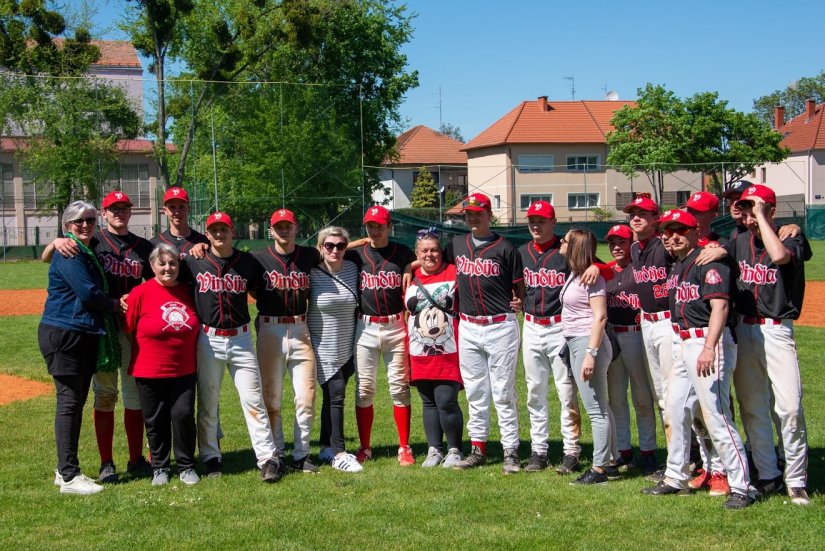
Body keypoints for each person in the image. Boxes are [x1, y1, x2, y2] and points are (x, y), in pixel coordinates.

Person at [641, 210, 754, 509]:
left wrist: (708, 347)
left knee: (717, 415)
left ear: (694, 231)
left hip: (706, 340)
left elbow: (720, 308)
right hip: (683, 341)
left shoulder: (708, 260)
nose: (672, 235)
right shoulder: (678, 266)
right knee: (674, 409)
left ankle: (743, 486)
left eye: (679, 229)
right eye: (667, 231)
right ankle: (675, 477)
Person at [43, 191, 154, 483]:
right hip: (100, 327)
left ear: (131, 212)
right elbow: (52, 257)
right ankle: (106, 463)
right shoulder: (90, 242)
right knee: (105, 394)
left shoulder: (143, 246)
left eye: (124, 208)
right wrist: (55, 241)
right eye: (112, 209)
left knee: (134, 394)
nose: (119, 213)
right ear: (105, 215)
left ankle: (136, 458)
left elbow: (158, 279)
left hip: (131, 326)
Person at [183, 212, 282, 482]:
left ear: (232, 231)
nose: (218, 234)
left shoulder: (247, 262)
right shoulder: (194, 259)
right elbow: (166, 272)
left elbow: (263, 289)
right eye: (213, 230)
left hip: (240, 338)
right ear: (206, 233)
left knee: (253, 400)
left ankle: (267, 458)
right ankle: (211, 456)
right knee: (208, 400)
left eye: (223, 229)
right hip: (208, 338)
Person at [728, 185, 811, 506]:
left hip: (777, 331)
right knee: (753, 409)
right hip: (745, 331)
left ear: (771, 210)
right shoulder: (738, 242)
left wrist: (763, 215)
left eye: (754, 209)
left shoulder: (792, 238)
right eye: (745, 210)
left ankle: (796, 479)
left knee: (789, 408)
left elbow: (779, 256)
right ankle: (767, 474)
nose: (747, 215)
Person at [40, 201, 122, 494]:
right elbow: (88, 293)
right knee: (69, 403)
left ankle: (66, 471)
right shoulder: (71, 252)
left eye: (89, 219)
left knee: (73, 403)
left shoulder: (83, 248)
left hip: (78, 333)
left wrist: (53, 243)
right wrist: (116, 304)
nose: (85, 225)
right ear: (67, 226)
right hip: (66, 333)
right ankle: (70, 475)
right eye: (77, 222)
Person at [447, 193, 525, 473]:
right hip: (468, 326)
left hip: (500, 326)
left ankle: (511, 451)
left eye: (478, 212)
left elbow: (520, 289)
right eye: (469, 213)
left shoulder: (505, 247)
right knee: (476, 392)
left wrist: (520, 302)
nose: (473, 217)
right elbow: (433, 265)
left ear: (489, 215)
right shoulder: (456, 244)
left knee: (503, 392)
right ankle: (477, 449)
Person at [123, 243, 200, 486]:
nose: (168, 268)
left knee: (183, 415)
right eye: (162, 263)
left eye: (173, 263)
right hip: (149, 369)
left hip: (184, 368)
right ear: (153, 266)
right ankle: (160, 467)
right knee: (155, 420)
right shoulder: (140, 293)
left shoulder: (189, 291)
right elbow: (128, 327)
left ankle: (186, 465)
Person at [347, 205, 416, 466]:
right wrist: (361, 241)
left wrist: (409, 265)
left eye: (379, 225)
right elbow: (328, 251)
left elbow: (425, 259)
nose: (374, 230)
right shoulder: (357, 255)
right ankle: (365, 448)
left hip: (395, 326)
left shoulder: (401, 252)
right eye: (370, 226)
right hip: (364, 328)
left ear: (389, 226)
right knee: (364, 389)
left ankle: (404, 446)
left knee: (399, 387)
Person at [518, 200, 584, 474]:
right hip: (531, 325)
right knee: (535, 391)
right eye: (532, 220)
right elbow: (516, 287)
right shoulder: (521, 252)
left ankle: (571, 450)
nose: (536, 225)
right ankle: (539, 450)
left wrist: (593, 267)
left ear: (553, 223)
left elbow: (600, 268)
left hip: (560, 327)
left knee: (566, 390)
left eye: (542, 220)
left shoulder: (566, 250)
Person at [252, 209, 320, 473]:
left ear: (296, 228)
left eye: (287, 225)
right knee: (272, 398)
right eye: (278, 226)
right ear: (271, 230)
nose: (283, 230)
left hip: (301, 328)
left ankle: (302, 453)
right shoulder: (258, 259)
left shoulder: (309, 255)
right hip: (270, 328)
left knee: (306, 396)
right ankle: (277, 452)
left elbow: (344, 250)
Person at [559, 229, 616, 485]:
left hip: (587, 343)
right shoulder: (578, 273)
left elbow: (600, 317)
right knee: (599, 406)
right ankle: (611, 460)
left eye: (566, 241)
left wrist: (591, 354)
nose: (561, 242)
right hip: (576, 341)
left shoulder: (592, 278)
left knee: (596, 409)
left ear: (575, 247)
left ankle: (599, 468)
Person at [404, 228, 464, 468]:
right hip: (419, 351)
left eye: (435, 250)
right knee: (428, 402)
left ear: (442, 252)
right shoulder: (410, 275)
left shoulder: (454, 272)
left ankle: (455, 449)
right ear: (417, 254)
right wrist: (409, 266)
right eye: (424, 251)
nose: (430, 255)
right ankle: (434, 449)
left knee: (447, 400)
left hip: (449, 349)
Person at [603, 224, 658, 475]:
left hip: (636, 336)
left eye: (622, 242)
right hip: (613, 336)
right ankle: (624, 450)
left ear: (631, 243)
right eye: (612, 242)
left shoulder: (641, 269)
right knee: (616, 398)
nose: (616, 246)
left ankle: (648, 450)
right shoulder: (605, 271)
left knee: (642, 396)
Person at [308, 226, 362, 472]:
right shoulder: (311, 272)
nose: (335, 250)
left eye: (341, 246)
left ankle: (325, 447)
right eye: (329, 245)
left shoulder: (353, 267)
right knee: (337, 394)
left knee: (331, 397)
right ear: (320, 247)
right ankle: (340, 452)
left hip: (348, 346)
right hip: (321, 347)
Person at [151, 187, 209, 257]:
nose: (177, 212)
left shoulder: (203, 241)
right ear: (165, 211)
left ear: (189, 209)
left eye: (181, 206)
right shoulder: (154, 244)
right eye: (172, 207)